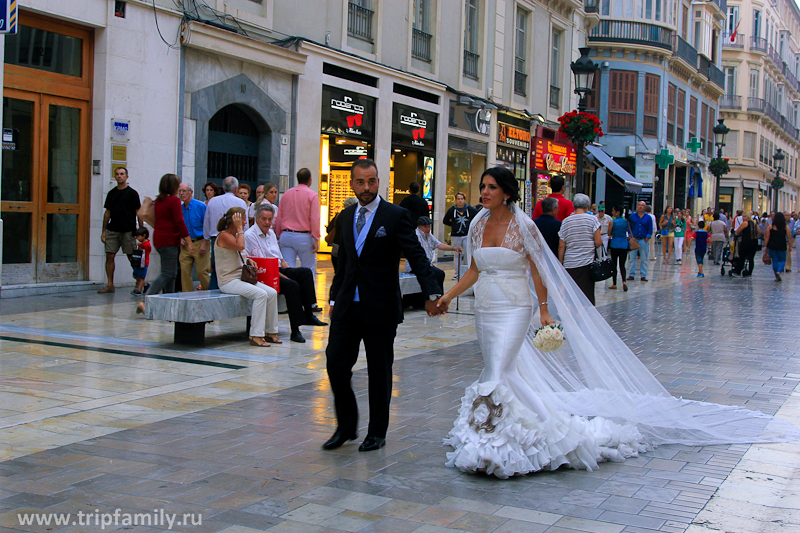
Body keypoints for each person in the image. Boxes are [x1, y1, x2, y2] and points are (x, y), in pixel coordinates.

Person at [431, 166, 800, 479]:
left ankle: (549, 428)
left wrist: (543, 309)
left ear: (507, 192)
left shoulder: (522, 226)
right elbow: (476, 269)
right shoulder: (478, 224)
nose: (483, 193)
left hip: (513, 307)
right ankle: (493, 434)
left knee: (501, 369)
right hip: (486, 309)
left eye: (491, 187)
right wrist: (449, 295)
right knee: (496, 368)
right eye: (482, 187)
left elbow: (538, 269)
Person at [323, 159, 442, 453]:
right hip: (348, 306)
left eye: (372, 182)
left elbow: (416, 255)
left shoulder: (396, 215)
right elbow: (346, 263)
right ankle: (346, 427)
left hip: (380, 307)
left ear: (379, 182)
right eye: (361, 182)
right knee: (336, 364)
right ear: (352, 183)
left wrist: (431, 294)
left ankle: (377, 432)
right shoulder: (346, 215)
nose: (366, 188)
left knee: (379, 371)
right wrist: (334, 298)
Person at [245, 203, 327, 343]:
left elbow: (279, 256)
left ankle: (308, 313)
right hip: (263, 274)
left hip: (276, 268)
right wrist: (283, 275)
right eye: (264, 219)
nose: (267, 223)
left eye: (270, 219)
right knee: (292, 285)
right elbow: (260, 263)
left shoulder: (270, 233)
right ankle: (295, 330)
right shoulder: (250, 235)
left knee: (306, 273)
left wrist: (287, 268)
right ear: (257, 218)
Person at [214, 207, 280, 346]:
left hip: (241, 277)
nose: (245, 222)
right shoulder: (224, 235)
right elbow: (240, 246)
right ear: (235, 220)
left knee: (272, 293)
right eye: (243, 219)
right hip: (229, 280)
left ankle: (271, 331)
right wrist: (239, 228)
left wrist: (249, 260)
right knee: (260, 295)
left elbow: (241, 251)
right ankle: (256, 335)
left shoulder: (237, 236)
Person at [136, 174, 193, 314]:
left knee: (171, 273)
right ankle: (146, 300)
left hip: (160, 239)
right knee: (167, 273)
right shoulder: (173, 200)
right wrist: (189, 241)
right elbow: (179, 221)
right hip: (169, 240)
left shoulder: (159, 200)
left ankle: (168, 303)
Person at [99, 167, 142, 294]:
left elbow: (138, 212)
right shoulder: (111, 193)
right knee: (109, 255)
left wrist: (140, 230)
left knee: (132, 257)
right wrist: (104, 231)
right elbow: (107, 212)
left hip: (128, 230)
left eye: (122, 174)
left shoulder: (132, 193)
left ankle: (139, 282)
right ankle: (110, 284)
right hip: (113, 230)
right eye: (117, 174)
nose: (119, 176)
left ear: (126, 177)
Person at [203, 176, 248, 290]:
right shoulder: (240, 202)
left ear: (223, 188)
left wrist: (206, 239)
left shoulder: (213, 201)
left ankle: (213, 294)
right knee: (232, 269)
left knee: (216, 271)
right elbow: (244, 225)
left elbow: (206, 221)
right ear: (236, 189)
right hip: (234, 238)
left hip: (215, 238)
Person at [274, 168, 321, 278]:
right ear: (310, 180)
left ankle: (290, 292)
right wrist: (316, 237)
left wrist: (278, 234)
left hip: (286, 234)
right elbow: (314, 218)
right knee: (308, 269)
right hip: (304, 236)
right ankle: (307, 294)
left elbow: (279, 215)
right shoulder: (312, 195)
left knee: (288, 269)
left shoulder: (286, 194)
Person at [558, 193, 602, 305]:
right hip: (586, 263)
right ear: (587, 206)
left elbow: (562, 245)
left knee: (572, 296)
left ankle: (574, 316)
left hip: (570, 263)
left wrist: (560, 263)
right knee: (586, 297)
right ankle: (580, 318)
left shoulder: (566, 221)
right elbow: (598, 242)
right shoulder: (593, 220)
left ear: (574, 205)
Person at [405, 216, 463, 291]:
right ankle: (436, 294)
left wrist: (454, 248)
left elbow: (439, 245)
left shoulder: (429, 235)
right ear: (419, 226)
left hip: (426, 264)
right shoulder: (415, 236)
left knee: (440, 274)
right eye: (425, 227)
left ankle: (437, 294)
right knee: (438, 274)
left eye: (429, 227)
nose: (428, 229)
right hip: (416, 264)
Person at [177, 183, 210, 291]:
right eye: (180, 191)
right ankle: (187, 295)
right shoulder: (180, 208)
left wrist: (205, 243)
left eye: (184, 191)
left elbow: (208, 224)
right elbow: (176, 225)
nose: (181, 193)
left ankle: (209, 293)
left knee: (202, 271)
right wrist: (179, 237)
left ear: (191, 192)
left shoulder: (200, 206)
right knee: (184, 271)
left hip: (200, 241)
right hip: (186, 243)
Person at [443, 192, 479, 279]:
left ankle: (466, 272)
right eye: (458, 199)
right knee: (457, 255)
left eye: (461, 199)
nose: (460, 201)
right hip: (455, 235)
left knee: (467, 254)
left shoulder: (469, 209)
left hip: (466, 235)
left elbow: (477, 215)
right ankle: (457, 273)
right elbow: (445, 220)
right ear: (456, 200)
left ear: (464, 200)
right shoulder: (452, 210)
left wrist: (471, 225)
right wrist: (454, 225)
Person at [326, 197, 358, 272]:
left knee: (338, 273)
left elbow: (329, 229)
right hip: (350, 249)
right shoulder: (357, 218)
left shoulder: (339, 216)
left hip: (337, 248)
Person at [764, 212, 793, 282]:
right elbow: (789, 237)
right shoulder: (785, 227)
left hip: (772, 246)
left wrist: (766, 246)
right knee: (783, 260)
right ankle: (779, 271)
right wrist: (790, 246)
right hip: (782, 245)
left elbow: (767, 237)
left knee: (775, 260)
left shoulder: (770, 226)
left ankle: (776, 275)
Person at [627, 201, 653, 281]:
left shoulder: (648, 218)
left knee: (644, 258)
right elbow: (629, 227)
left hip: (643, 240)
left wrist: (647, 238)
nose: (641, 207)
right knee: (632, 258)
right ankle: (631, 274)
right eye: (639, 205)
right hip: (634, 239)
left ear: (645, 207)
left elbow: (650, 228)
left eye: (642, 205)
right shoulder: (632, 216)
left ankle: (643, 275)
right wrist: (630, 236)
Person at [608, 205, 629, 291]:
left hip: (615, 244)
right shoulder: (626, 222)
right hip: (624, 244)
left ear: (617, 212)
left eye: (613, 211)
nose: (612, 213)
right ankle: (624, 281)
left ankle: (614, 283)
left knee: (614, 264)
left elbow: (609, 233)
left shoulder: (613, 222)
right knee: (622, 265)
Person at [732, 212, 760, 277]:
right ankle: (749, 272)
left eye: (744, 216)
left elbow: (737, 232)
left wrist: (736, 236)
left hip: (746, 242)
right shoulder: (754, 223)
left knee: (742, 257)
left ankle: (738, 271)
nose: (743, 218)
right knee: (751, 258)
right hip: (754, 241)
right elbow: (759, 231)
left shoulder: (745, 223)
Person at [131, 228, 151, 296]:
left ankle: (139, 290)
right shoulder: (142, 243)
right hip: (139, 262)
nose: (137, 238)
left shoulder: (146, 244)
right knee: (135, 275)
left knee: (142, 277)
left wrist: (140, 245)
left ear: (144, 235)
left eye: (139, 236)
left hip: (144, 263)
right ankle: (145, 284)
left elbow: (146, 249)